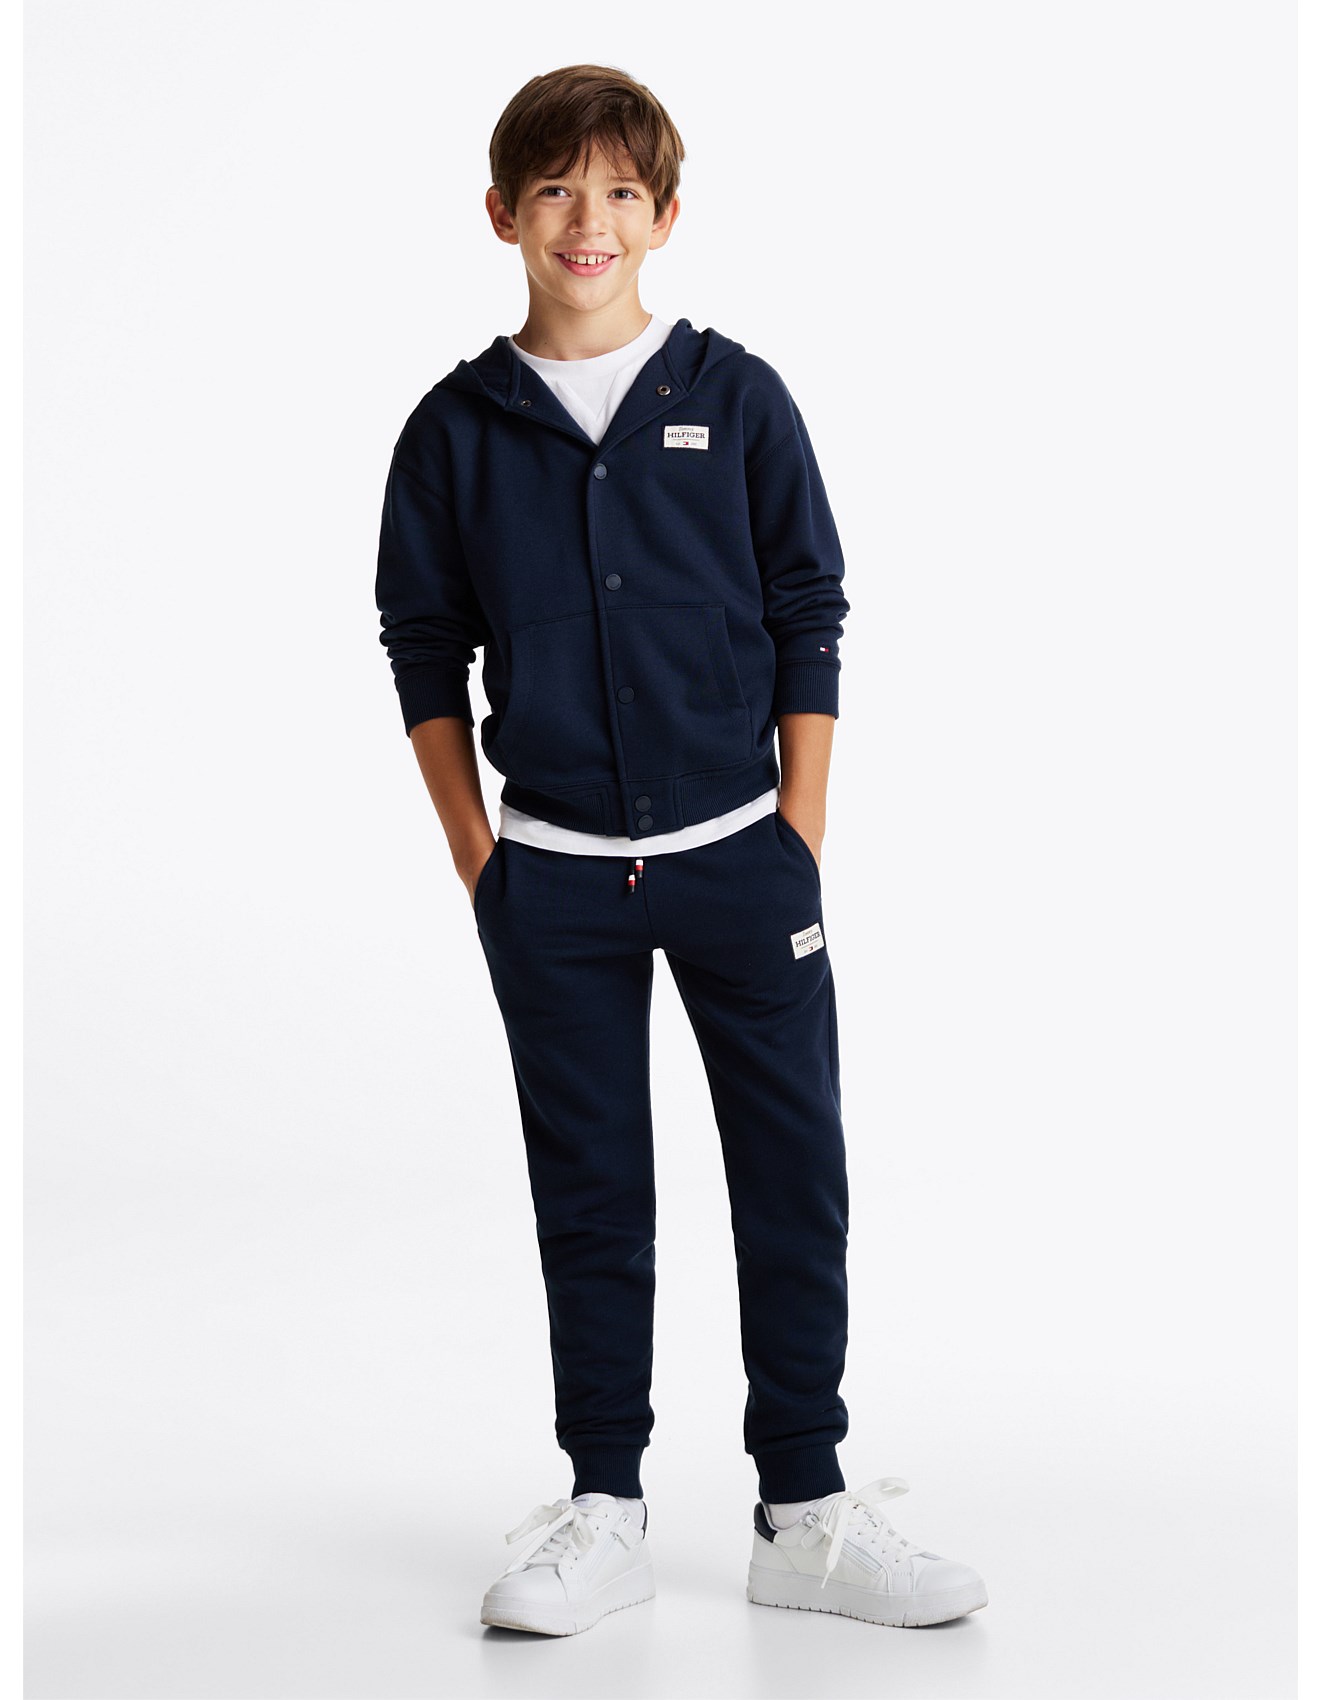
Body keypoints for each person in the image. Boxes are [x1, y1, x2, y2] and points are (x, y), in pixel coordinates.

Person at [374, 61, 988, 1639]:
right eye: (557, 191)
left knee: (793, 1178)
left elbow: (810, 608)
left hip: (741, 861)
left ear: (664, 217)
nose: (589, 222)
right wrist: (483, 863)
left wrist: (800, 833)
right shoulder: (455, 431)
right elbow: (422, 648)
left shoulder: (737, 394)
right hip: (552, 880)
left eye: (622, 193)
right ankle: (606, 1508)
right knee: (592, 1193)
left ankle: (807, 1509)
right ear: (502, 213)